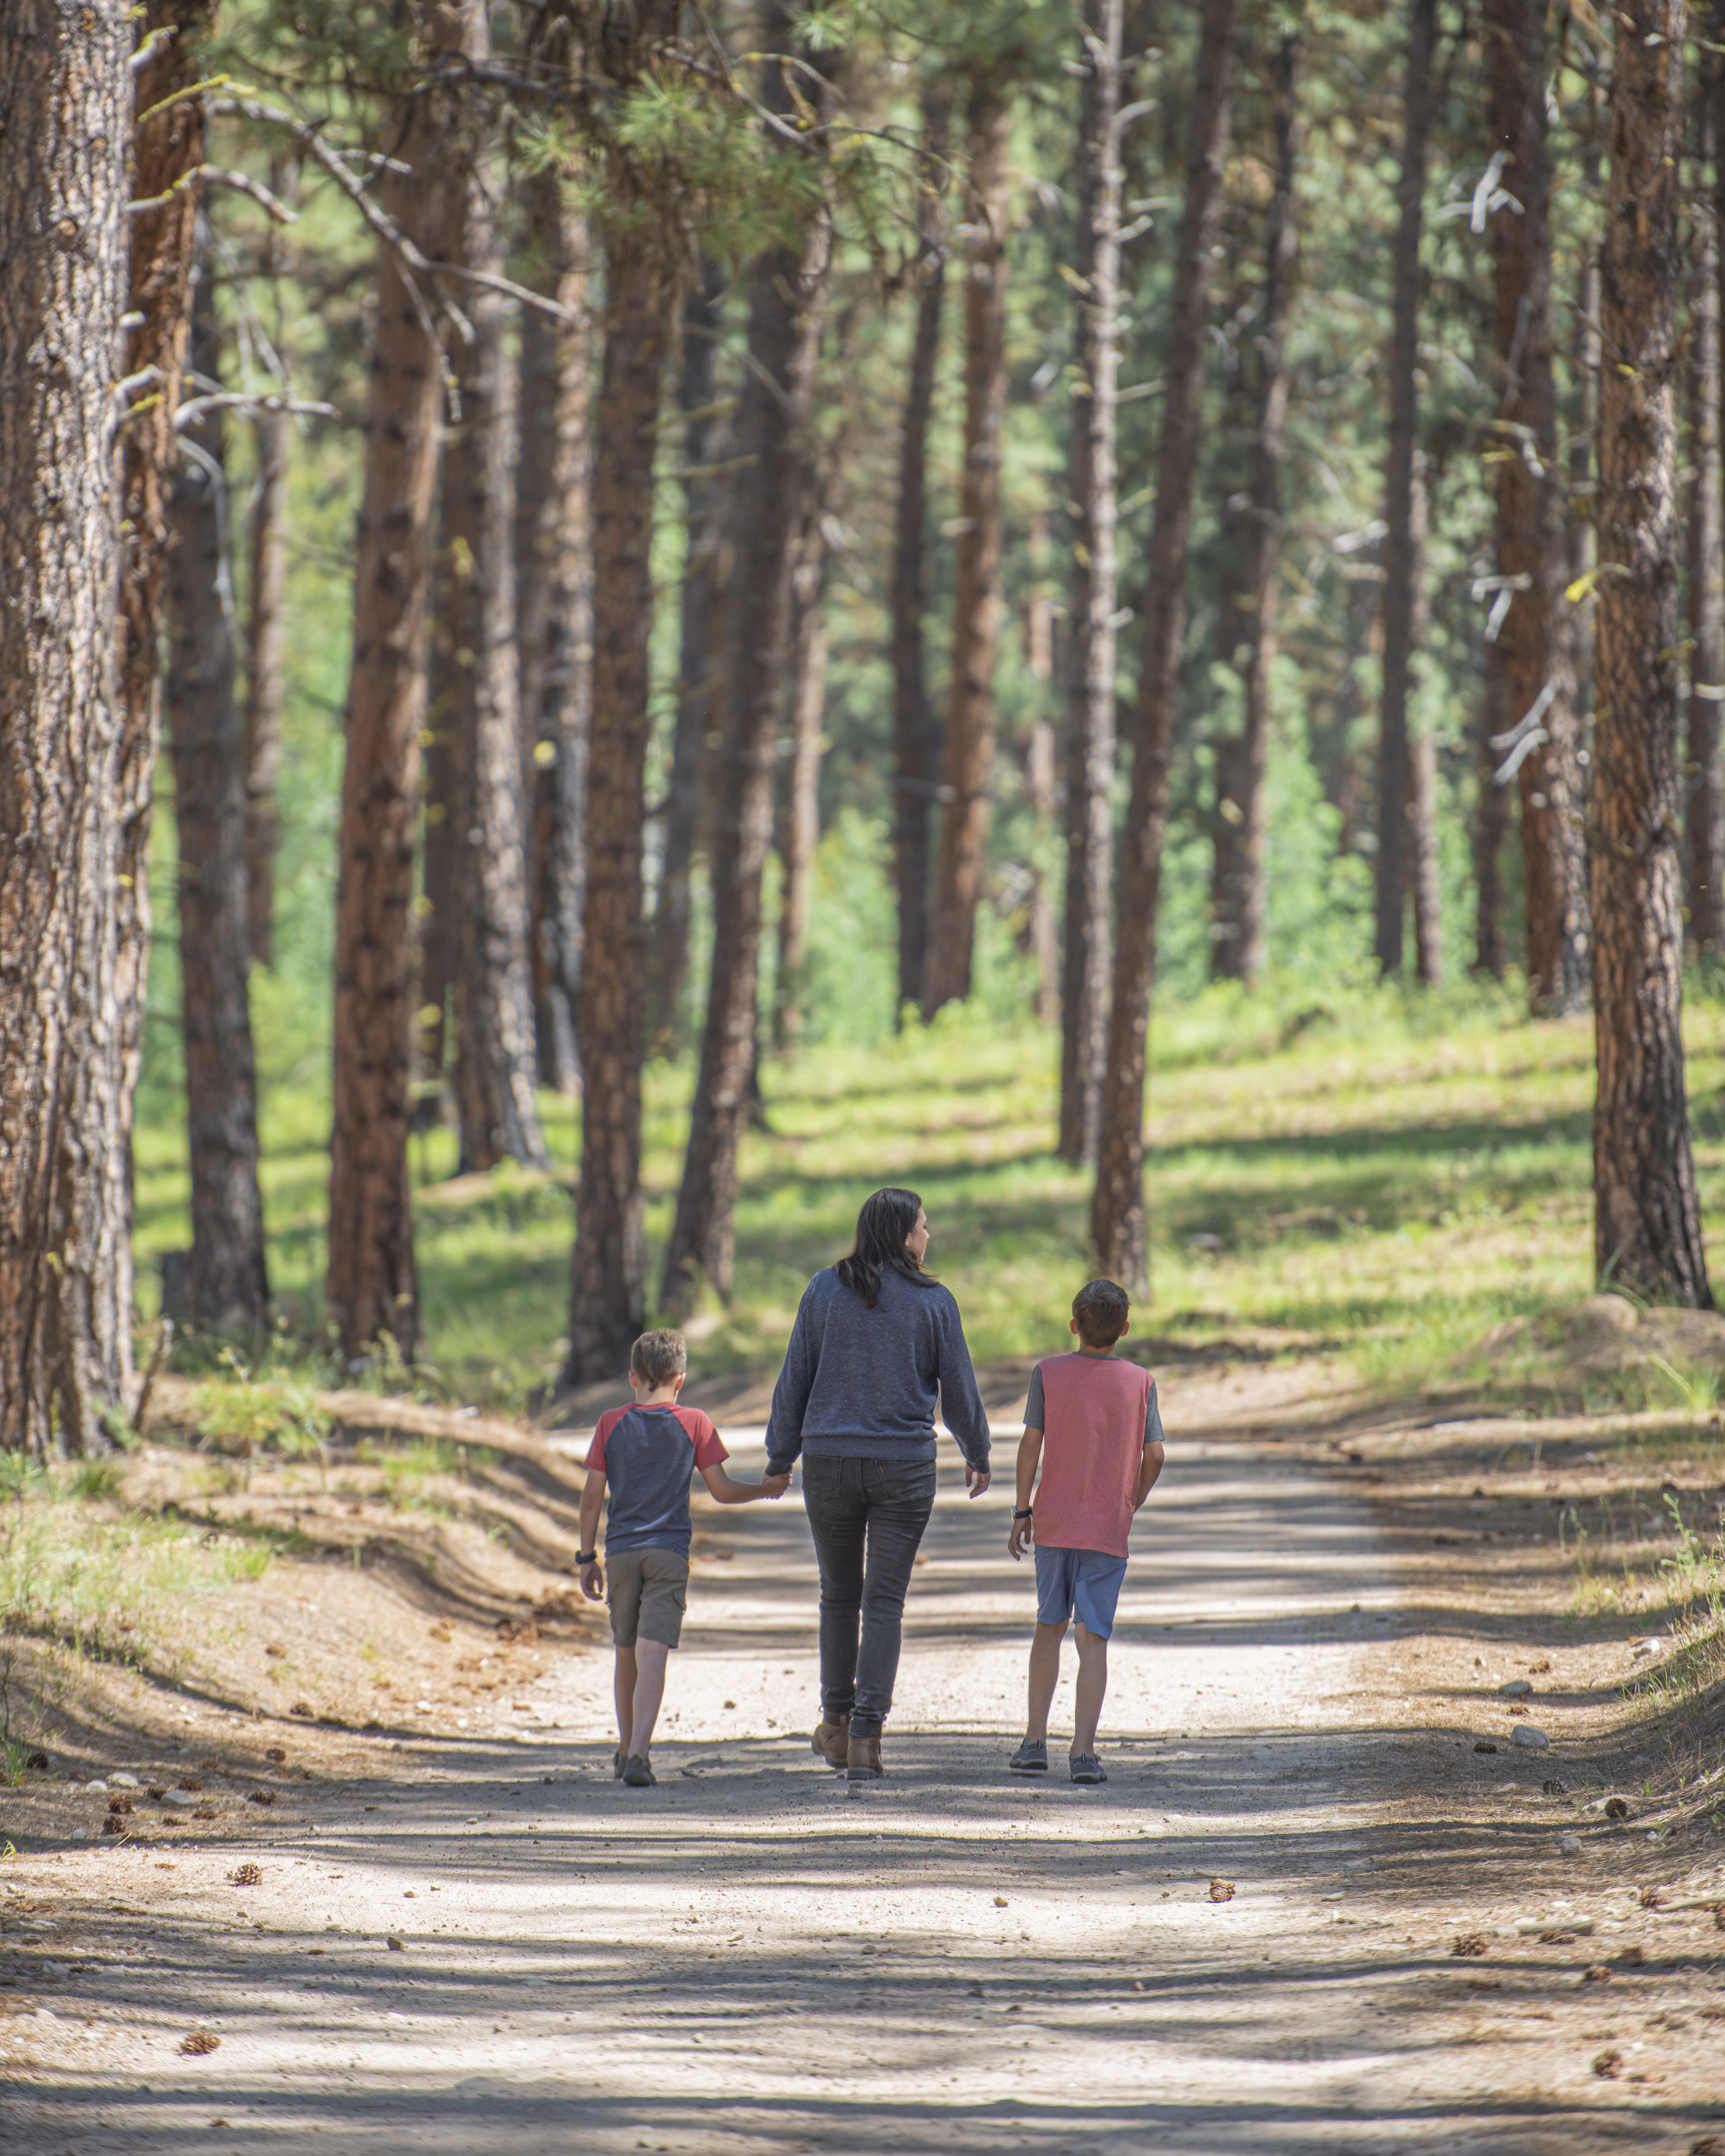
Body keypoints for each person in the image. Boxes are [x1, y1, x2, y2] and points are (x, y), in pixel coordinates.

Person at [765, 1186, 990, 1781]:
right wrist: (978, 1451)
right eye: (922, 1225)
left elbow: (794, 1380)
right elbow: (959, 1391)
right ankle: (867, 1735)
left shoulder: (821, 1290)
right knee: (883, 1601)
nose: (927, 1234)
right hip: (903, 1467)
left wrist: (778, 1455)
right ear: (901, 1234)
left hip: (829, 1462)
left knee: (838, 1595)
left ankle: (835, 1726)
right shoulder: (934, 1302)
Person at [577, 1329, 789, 1787]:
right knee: (654, 1654)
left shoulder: (609, 1423)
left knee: (626, 1652)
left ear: (633, 1377)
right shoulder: (694, 1422)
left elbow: (592, 1497)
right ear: (681, 1379)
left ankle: (623, 1746)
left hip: (621, 1554)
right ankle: (639, 1756)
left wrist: (585, 1556)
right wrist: (765, 1489)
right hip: (668, 1554)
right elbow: (724, 1491)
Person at [1006, 1278, 1165, 1785]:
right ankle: (1084, 1753)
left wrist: (1021, 1509)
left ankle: (1034, 1742)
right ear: (1124, 1329)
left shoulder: (1048, 1374)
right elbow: (1155, 1454)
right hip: (1107, 1529)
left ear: (1074, 1326)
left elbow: (1031, 1445)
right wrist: (1131, 1501)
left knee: (1048, 1627)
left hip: (1053, 1524)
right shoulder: (1141, 1383)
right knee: (1091, 1639)